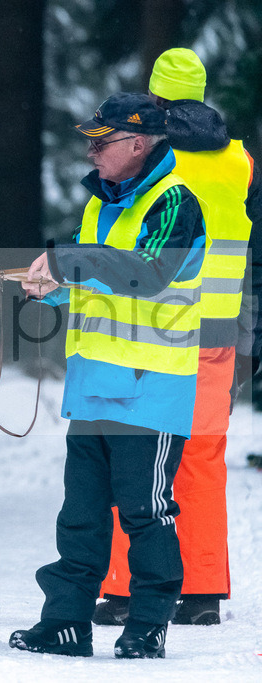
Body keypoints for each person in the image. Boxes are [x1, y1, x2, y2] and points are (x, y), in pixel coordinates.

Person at [8, 93, 206, 659]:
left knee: (146, 514)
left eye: (102, 142)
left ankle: (147, 625)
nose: (91, 152)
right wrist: (48, 289)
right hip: (94, 386)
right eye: (90, 141)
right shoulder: (101, 206)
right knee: (81, 518)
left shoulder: (175, 202)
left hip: (149, 390)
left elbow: (148, 274)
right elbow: (91, 276)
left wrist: (73, 262)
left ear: (139, 144)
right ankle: (66, 624)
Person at [94, 48, 259, 628]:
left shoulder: (150, 161)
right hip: (219, 330)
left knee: (133, 455)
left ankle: (123, 590)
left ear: (156, 97)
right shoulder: (241, 162)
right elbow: (255, 256)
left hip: (157, 330)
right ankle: (204, 590)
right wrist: (251, 334)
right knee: (203, 458)